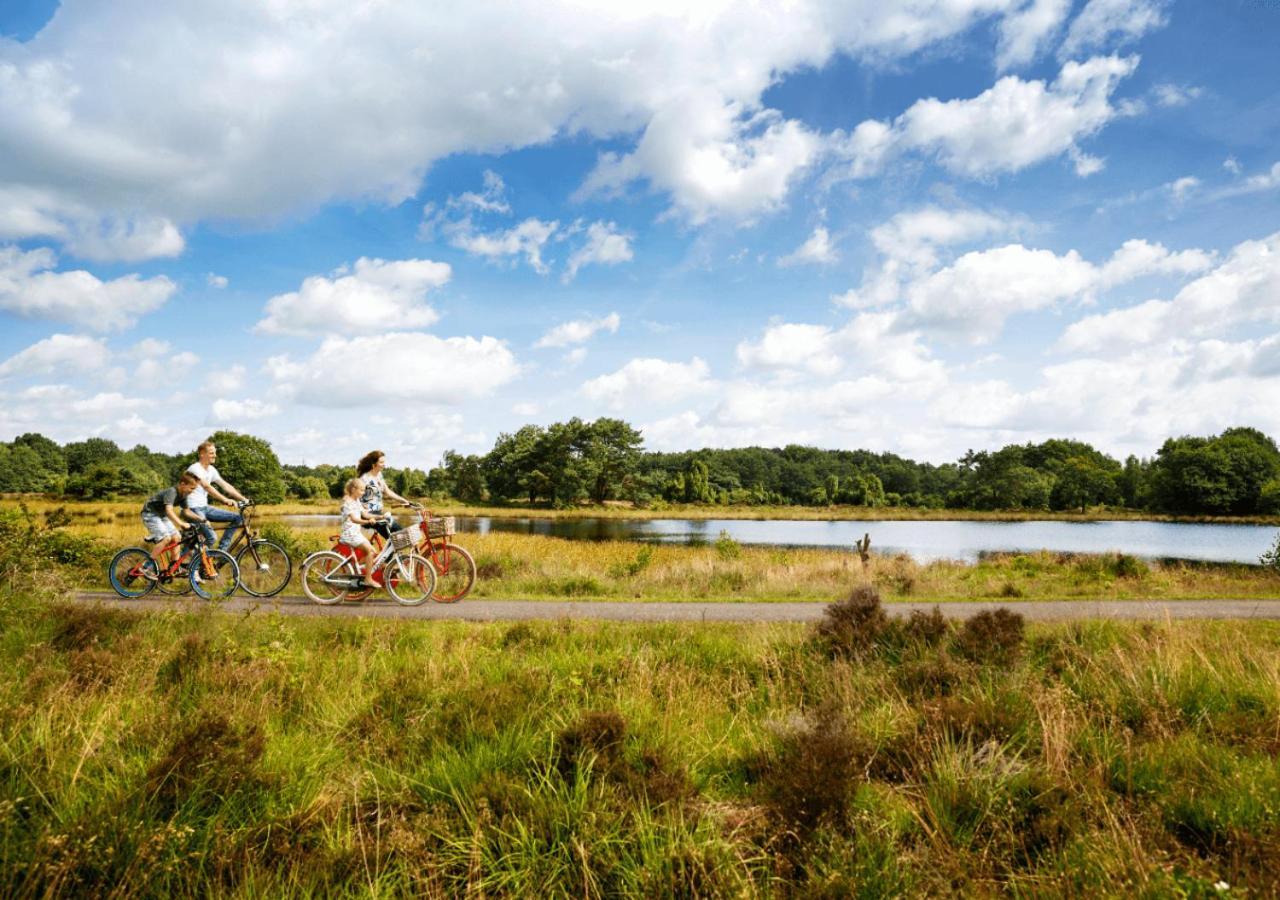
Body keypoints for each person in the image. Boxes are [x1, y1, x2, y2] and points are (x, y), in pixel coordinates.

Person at [186, 440, 248, 552]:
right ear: (202, 454)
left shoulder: (211, 470)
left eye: (215, 452)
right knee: (211, 537)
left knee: (238, 518)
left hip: (204, 507)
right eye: (211, 453)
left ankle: (221, 552)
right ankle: (194, 565)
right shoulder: (195, 468)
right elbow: (207, 487)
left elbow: (225, 485)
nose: (215, 455)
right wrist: (225, 500)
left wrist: (243, 499)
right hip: (192, 509)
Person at [140, 472, 203, 570]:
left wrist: (202, 519)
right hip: (150, 514)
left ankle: (174, 567)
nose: (193, 491)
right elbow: (169, 511)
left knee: (177, 537)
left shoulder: (183, 495)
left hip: (161, 515)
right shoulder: (172, 492)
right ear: (182, 484)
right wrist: (181, 523)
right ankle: (145, 567)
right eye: (192, 488)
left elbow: (187, 511)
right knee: (166, 538)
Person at [355, 449, 414, 539]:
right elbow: (357, 499)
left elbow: (387, 491)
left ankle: (391, 553)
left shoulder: (379, 475)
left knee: (399, 535)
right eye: (381, 462)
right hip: (368, 515)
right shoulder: (365, 479)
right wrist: (364, 513)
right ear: (373, 464)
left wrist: (403, 500)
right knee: (396, 537)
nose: (384, 464)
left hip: (377, 513)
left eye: (384, 462)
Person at [339, 477, 382, 589]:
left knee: (373, 551)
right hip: (350, 534)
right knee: (369, 552)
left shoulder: (356, 501)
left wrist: (381, 517)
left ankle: (356, 568)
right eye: (361, 490)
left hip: (355, 533)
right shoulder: (347, 502)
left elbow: (366, 514)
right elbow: (354, 519)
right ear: (353, 489)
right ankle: (368, 579)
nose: (363, 493)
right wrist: (368, 522)